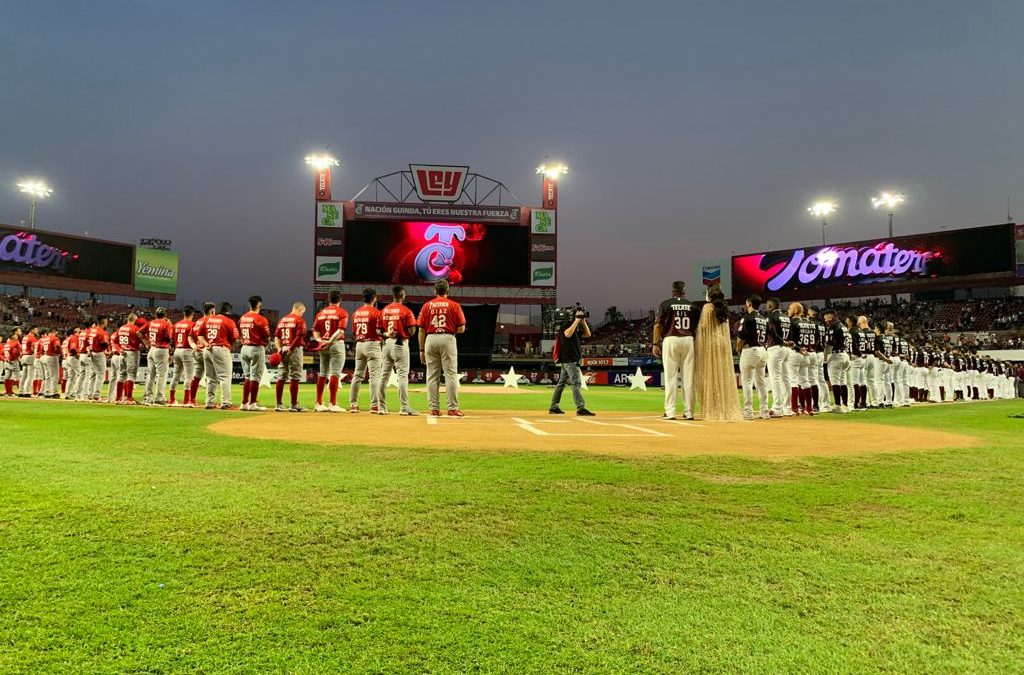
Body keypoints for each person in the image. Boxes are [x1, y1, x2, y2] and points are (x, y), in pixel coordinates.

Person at [418, 279, 466, 417]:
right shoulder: (454, 305)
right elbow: (462, 328)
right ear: (447, 290)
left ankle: (434, 408)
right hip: (448, 337)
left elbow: (421, 330)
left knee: (432, 375)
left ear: (435, 290)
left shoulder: (427, 306)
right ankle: (452, 408)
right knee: (450, 374)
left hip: (430, 338)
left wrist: (421, 350)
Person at [695, 285, 742, 422]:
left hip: (710, 344)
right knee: (722, 375)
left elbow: (703, 328)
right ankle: (724, 408)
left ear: (709, 295)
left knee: (711, 375)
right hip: (722, 344)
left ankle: (713, 408)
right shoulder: (724, 308)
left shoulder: (707, 307)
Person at [652, 280, 696, 421]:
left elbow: (658, 325)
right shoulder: (692, 306)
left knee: (670, 377)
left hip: (670, 339)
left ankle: (670, 412)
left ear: (673, 291)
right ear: (684, 291)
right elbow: (698, 327)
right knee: (688, 378)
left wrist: (655, 344)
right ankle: (689, 412)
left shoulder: (665, 304)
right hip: (688, 339)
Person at [379, 285, 419, 416]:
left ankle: (381, 407)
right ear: (403, 295)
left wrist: (386, 334)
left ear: (393, 295)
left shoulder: (384, 310)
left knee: (384, 376)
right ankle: (404, 407)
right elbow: (412, 331)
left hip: (386, 344)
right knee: (402, 376)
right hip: (400, 343)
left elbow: (378, 330)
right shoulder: (406, 311)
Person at [548, 305, 594, 416]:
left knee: (561, 384)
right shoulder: (566, 325)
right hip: (570, 360)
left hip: (570, 360)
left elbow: (588, 334)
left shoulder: (575, 327)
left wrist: (582, 322)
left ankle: (554, 407)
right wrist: (576, 320)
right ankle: (580, 408)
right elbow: (567, 334)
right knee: (576, 383)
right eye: (577, 314)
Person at [349, 288, 385, 414]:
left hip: (359, 344)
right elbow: (379, 331)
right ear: (374, 298)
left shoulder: (356, 313)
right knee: (374, 376)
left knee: (357, 375)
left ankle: (353, 404)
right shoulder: (376, 312)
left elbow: (354, 332)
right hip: (372, 343)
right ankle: (374, 405)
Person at [312, 290, 348, 413]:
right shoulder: (342, 312)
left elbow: (315, 331)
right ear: (340, 300)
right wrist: (331, 341)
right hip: (335, 343)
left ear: (328, 300)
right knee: (335, 374)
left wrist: (320, 340)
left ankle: (319, 403)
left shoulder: (320, 313)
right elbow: (341, 330)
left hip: (323, 344)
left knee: (322, 373)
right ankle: (332, 403)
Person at [735, 294, 769, 420]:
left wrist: (738, 348)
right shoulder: (763, 318)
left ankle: (748, 411)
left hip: (750, 350)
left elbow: (741, 336)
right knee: (761, 382)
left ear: (749, 303)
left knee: (747, 382)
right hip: (762, 350)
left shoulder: (747, 317)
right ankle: (764, 411)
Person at [203, 302, 239, 410]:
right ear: (228, 311)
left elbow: (199, 334)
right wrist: (231, 346)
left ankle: (209, 402)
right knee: (225, 377)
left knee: (210, 378)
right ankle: (225, 402)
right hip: (221, 348)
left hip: (207, 348)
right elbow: (236, 339)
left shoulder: (208, 320)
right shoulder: (229, 321)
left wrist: (206, 343)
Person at [238, 295, 271, 411]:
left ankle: (244, 403)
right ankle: (252, 403)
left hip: (244, 347)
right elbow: (267, 337)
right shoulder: (261, 319)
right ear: (259, 305)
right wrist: (268, 344)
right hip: (256, 347)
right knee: (255, 377)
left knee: (247, 377)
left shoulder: (242, 317)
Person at [275, 302, 308, 412]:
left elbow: (276, 338)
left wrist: (280, 349)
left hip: (283, 349)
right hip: (294, 350)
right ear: (299, 309)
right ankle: (293, 405)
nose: (302, 314)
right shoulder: (299, 320)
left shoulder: (282, 320)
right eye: (302, 312)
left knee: (281, 376)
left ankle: (278, 404)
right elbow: (299, 337)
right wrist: (291, 349)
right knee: (294, 377)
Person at [765, 298, 792, 417]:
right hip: (786, 350)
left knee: (775, 378)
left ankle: (777, 408)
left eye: (767, 305)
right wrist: (786, 343)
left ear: (770, 305)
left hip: (776, 347)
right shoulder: (786, 316)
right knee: (786, 378)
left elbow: (772, 333)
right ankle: (787, 407)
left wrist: (783, 342)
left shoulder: (771, 316)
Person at [822, 308, 851, 413]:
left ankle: (838, 405)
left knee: (835, 382)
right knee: (843, 381)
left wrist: (825, 357)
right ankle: (845, 405)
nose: (825, 320)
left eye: (826, 318)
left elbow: (830, 343)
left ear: (830, 316)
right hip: (845, 354)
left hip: (836, 355)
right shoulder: (843, 326)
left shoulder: (834, 327)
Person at [144, 307, 173, 406]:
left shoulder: (151, 322)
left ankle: (148, 397)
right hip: (161, 350)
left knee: (151, 375)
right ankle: (159, 397)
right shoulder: (166, 324)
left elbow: (139, 332)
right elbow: (169, 338)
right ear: (165, 315)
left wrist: (146, 343)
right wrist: (170, 325)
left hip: (152, 349)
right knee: (161, 375)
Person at [187, 303, 214, 408]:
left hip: (197, 352)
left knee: (196, 376)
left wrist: (193, 345)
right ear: (212, 311)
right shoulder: (210, 322)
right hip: (207, 352)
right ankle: (209, 401)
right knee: (211, 377)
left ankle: (191, 400)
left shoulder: (197, 322)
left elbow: (190, 337)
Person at [114, 313, 145, 404]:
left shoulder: (121, 328)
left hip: (122, 352)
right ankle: (128, 397)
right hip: (132, 352)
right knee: (131, 375)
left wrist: (119, 350)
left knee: (122, 375)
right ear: (135, 320)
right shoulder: (135, 329)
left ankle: (119, 398)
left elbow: (115, 341)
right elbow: (142, 339)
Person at [170, 306, 196, 407]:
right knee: (189, 376)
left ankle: (172, 399)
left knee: (176, 375)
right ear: (192, 314)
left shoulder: (176, 324)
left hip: (177, 350)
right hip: (187, 350)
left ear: (184, 313)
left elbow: (172, 339)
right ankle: (186, 400)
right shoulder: (192, 324)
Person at [38, 328, 61, 399]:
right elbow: (57, 346)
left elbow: (41, 349)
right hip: (52, 356)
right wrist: (59, 353)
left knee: (47, 375)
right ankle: (54, 392)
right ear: (54, 332)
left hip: (45, 356)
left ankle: (47, 392)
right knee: (54, 376)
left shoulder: (45, 339)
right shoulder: (55, 338)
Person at [19, 326, 38, 397]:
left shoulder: (25, 337)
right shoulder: (32, 337)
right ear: (32, 330)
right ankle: (27, 391)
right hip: (30, 356)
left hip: (24, 356)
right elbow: (34, 348)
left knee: (24, 375)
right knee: (30, 375)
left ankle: (21, 391)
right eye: (36, 329)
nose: (37, 331)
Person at [4, 328, 23, 397]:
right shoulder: (14, 342)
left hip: (7, 361)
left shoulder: (7, 343)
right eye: (19, 331)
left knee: (7, 377)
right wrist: (19, 358)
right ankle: (22, 392)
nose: (17, 336)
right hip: (13, 361)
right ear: (14, 335)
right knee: (17, 377)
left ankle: (8, 392)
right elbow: (16, 352)